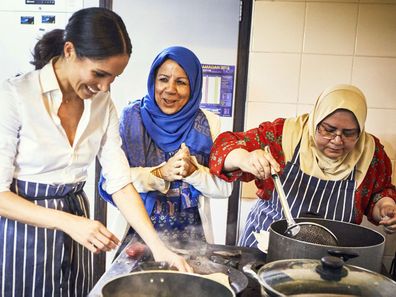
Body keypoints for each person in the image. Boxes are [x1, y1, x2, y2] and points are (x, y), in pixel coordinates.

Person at [0, 7, 190, 297]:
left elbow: (120, 182)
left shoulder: (102, 104)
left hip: (79, 220)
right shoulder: (15, 96)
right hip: (23, 230)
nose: (103, 86)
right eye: (99, 74)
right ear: (70, 50)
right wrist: (68, 222)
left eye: (112, 78)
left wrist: (158, 247)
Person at [209, 84, 396, 247]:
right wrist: (244, 158)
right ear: (316, 120)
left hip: (330, 256)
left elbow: (378, 192)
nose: (337, 140)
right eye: (328, 130)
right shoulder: (283, 135)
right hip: (267, 245)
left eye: (349, 133)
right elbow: (222, 148)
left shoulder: (371, 153)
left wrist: (384, 206)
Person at [99, 46, 232, 248]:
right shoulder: (131, 117)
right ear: (153, 81)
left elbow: (224, 189)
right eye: (163, 79)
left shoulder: (209, 123)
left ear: (194, 87)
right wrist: (160, 173)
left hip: (192, 238)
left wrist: (194, 172)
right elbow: (111, 182)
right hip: (137, 236)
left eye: (181, 82)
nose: (170, 89)